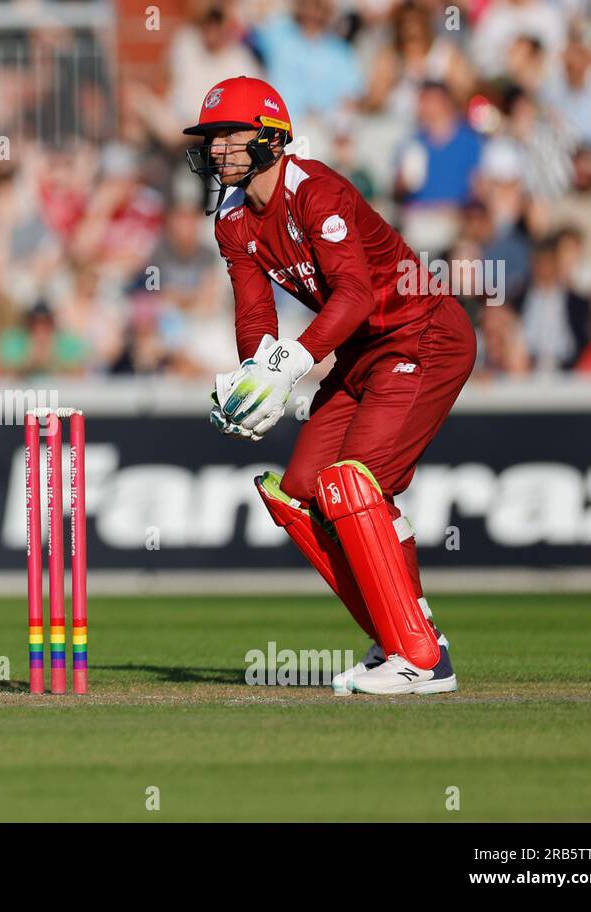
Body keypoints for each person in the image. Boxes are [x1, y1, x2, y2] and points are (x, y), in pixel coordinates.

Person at [186, 76, 475, 695]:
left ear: (270, 138)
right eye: (211, 138)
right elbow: (254, 315)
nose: (216, 150)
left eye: (229, 136)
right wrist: (257, 374)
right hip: (361, 354)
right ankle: (398, 638)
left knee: (353, 481)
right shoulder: (233, 222)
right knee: (297, 491)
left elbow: (357, 293)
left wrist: (293, 361)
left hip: (421, 334)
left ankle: (422, 658)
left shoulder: (317, 191)